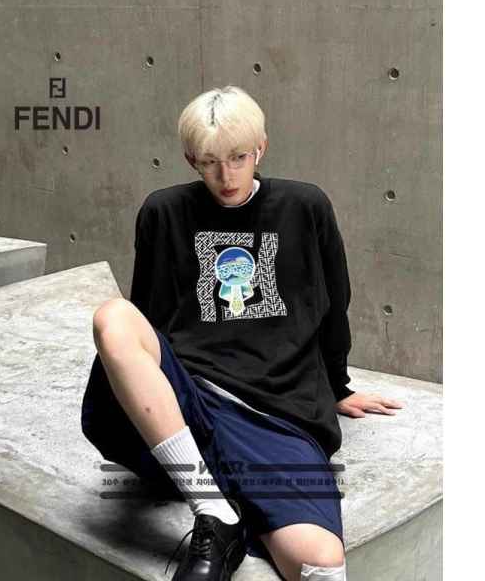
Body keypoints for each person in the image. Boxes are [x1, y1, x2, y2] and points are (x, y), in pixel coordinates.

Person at [81, 85, 403, 581]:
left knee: (319, 562)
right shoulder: (163, 212)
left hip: (275, 415)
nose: (226, 176)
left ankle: (229, 495)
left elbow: (333, 304)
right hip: (187, 404)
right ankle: (214, 510)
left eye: (238, 157)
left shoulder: (305, 206)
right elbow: (147, 320)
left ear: (261, 149)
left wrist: (337, 387)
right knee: (114, 317)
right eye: (210, 162)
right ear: (191, 159)